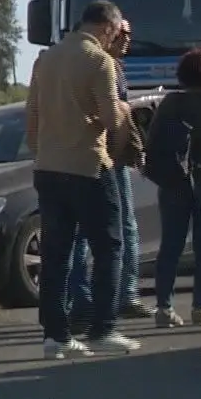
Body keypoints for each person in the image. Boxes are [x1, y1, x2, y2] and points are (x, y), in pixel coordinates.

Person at [23, 0, 141, 357]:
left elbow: (32, 115)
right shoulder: (99, 61)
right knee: (109, 247)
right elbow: (111, 117)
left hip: (48, 167)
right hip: (89, 166)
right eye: (116, 33)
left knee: (55, 254)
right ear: (108, 28)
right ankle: (103, 328)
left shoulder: (46, 59)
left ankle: (55, 337)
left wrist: (42, 148)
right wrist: (125, 144)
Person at [68, 18, 149, 332]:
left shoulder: (111, 67)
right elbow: (113, 116)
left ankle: (96, 298)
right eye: (122, 34)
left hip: (104, 157)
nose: (127, 40)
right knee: (114, 229)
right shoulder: (103, 67)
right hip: (104, 159)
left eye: (129, 34)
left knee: (106, 230)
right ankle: (109, 297)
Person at [149, 47, 201, 327]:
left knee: (171, 244)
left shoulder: (171, 102)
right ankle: (200, 308)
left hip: (176, 177)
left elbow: (156, 137)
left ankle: (164, 308)